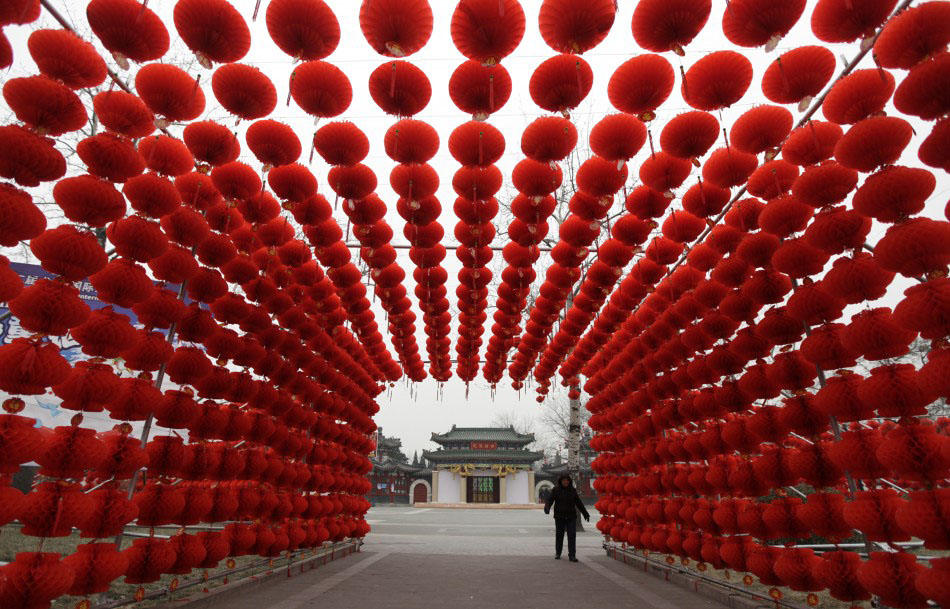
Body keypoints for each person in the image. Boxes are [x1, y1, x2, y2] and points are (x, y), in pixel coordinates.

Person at [543, 473, 590, 562]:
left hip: (571, 516)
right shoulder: (556, 490)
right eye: (564, 480)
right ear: (561, 481)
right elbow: (550, 499)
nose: (566, 482)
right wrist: (547, 507)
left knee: (572, 535)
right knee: (559, 535)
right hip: (559, 516)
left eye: (567, 480)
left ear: (569, 481)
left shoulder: (572, 490)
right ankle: (558, 552)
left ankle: (572, 555)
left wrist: (585, 513)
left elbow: (578, 503)